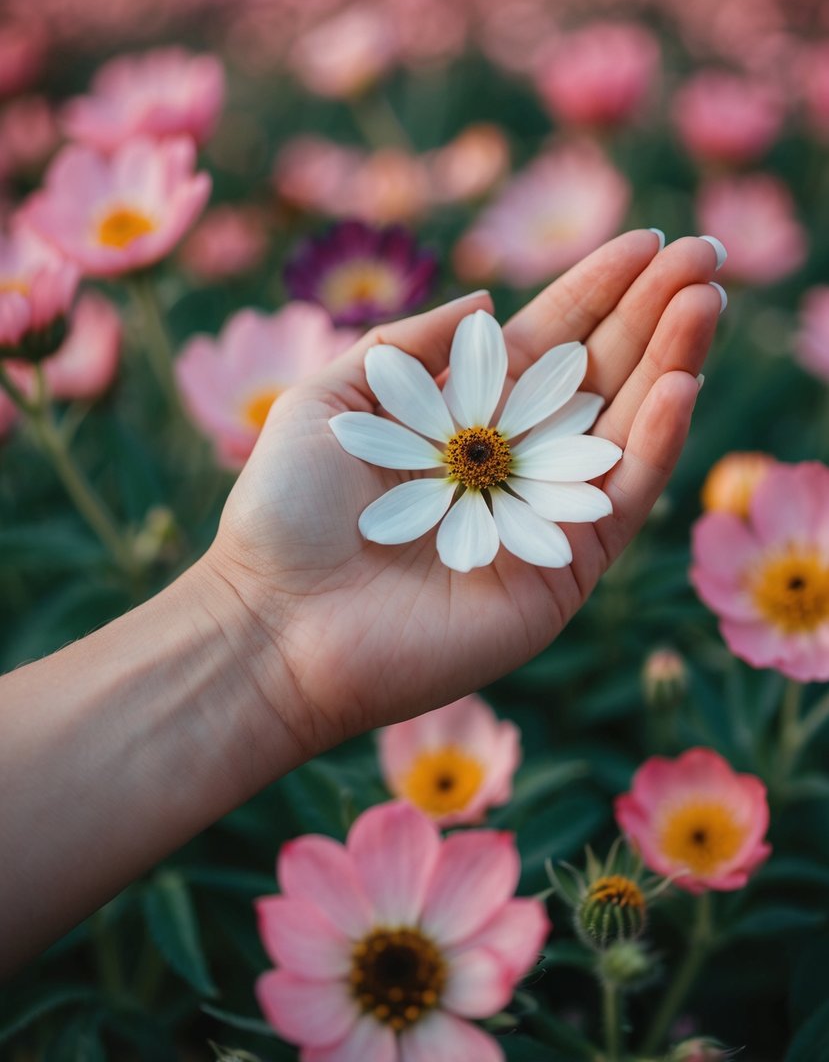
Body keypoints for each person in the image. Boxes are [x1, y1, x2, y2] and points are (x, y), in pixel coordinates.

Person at [0, 229, 724, 975]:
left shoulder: (492, 472)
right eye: (470, 448)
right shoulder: (423, 485)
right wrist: (253, 612)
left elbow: (577, 462)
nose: (474, 451)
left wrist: (249, 627)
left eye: (480, 449)